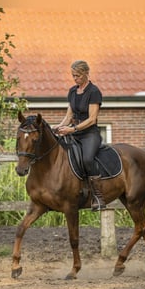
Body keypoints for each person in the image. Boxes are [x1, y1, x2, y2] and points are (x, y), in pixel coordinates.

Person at [53, 60, 106, 211]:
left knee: (87, 159)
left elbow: (92, 119)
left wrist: (73, 129)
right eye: (73, 75)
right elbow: (69, 115)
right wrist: (59, 126)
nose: (74, 78)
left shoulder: (94, 92)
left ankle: (98, 196)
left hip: (89, 134)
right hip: (74, 132)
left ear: (85, 74)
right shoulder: (72, 91)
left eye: (77, 76)